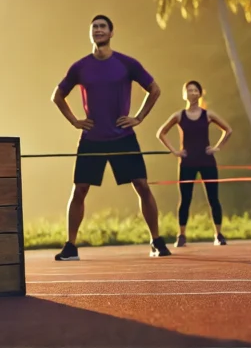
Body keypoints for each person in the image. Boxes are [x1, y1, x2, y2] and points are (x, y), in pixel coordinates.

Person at [51, 15, 169, 259]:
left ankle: (156, 240)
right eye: (94, 27)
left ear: (111, 33)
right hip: (91, 138)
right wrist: (75, 121)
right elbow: (57, 96)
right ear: (90, 33)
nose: (98, 30)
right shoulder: (80, 67)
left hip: (123, 137)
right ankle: (71, 246)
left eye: (103, 27)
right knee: (80, 190)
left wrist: (139, 117)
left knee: (142, 186)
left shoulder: (127, 63)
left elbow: (155, 89)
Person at [156, 81, 233, 247]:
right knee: (185, 199)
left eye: (195, 90)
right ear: (184, 94)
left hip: (207, 161)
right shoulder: (179, 115)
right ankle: (181, 235)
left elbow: (228, 130)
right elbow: (160, 133)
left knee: (214, 198)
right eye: (189, 90)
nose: (192, 93)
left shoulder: (208, 115)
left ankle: (218, 234)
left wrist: (217, 147)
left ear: (200, 94)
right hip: (187, 162)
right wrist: (175, 151)